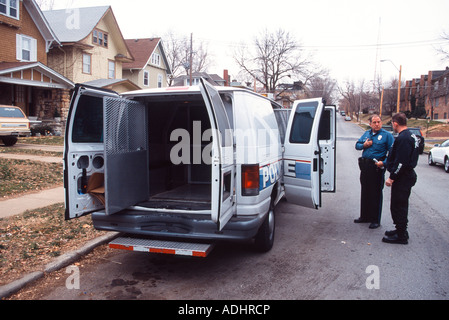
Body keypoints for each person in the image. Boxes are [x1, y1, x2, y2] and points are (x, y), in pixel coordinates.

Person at [383, 113, 419, 245]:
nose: (392, 125)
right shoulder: (410, 135)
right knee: (399, 204)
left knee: (399, 205)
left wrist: (392, 178)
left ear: (395, 123)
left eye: (392, 123)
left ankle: (401, 235)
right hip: (405, 175)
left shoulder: (404, 138)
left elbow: (401, 162)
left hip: (402, 177)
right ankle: (400, 230)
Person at [355, 114, 394, 229]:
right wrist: (364, 144)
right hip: (365, 167)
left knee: (375, 193)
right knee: (365, 191)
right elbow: (357, 145)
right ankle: (364, 216)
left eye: (379, 122)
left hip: (376, 167)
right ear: (370, 123)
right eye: (374, 122)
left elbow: (392, 153)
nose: (377, 124)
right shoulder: (367, 134)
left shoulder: (386, 136)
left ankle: (375, 219)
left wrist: (385, 162)